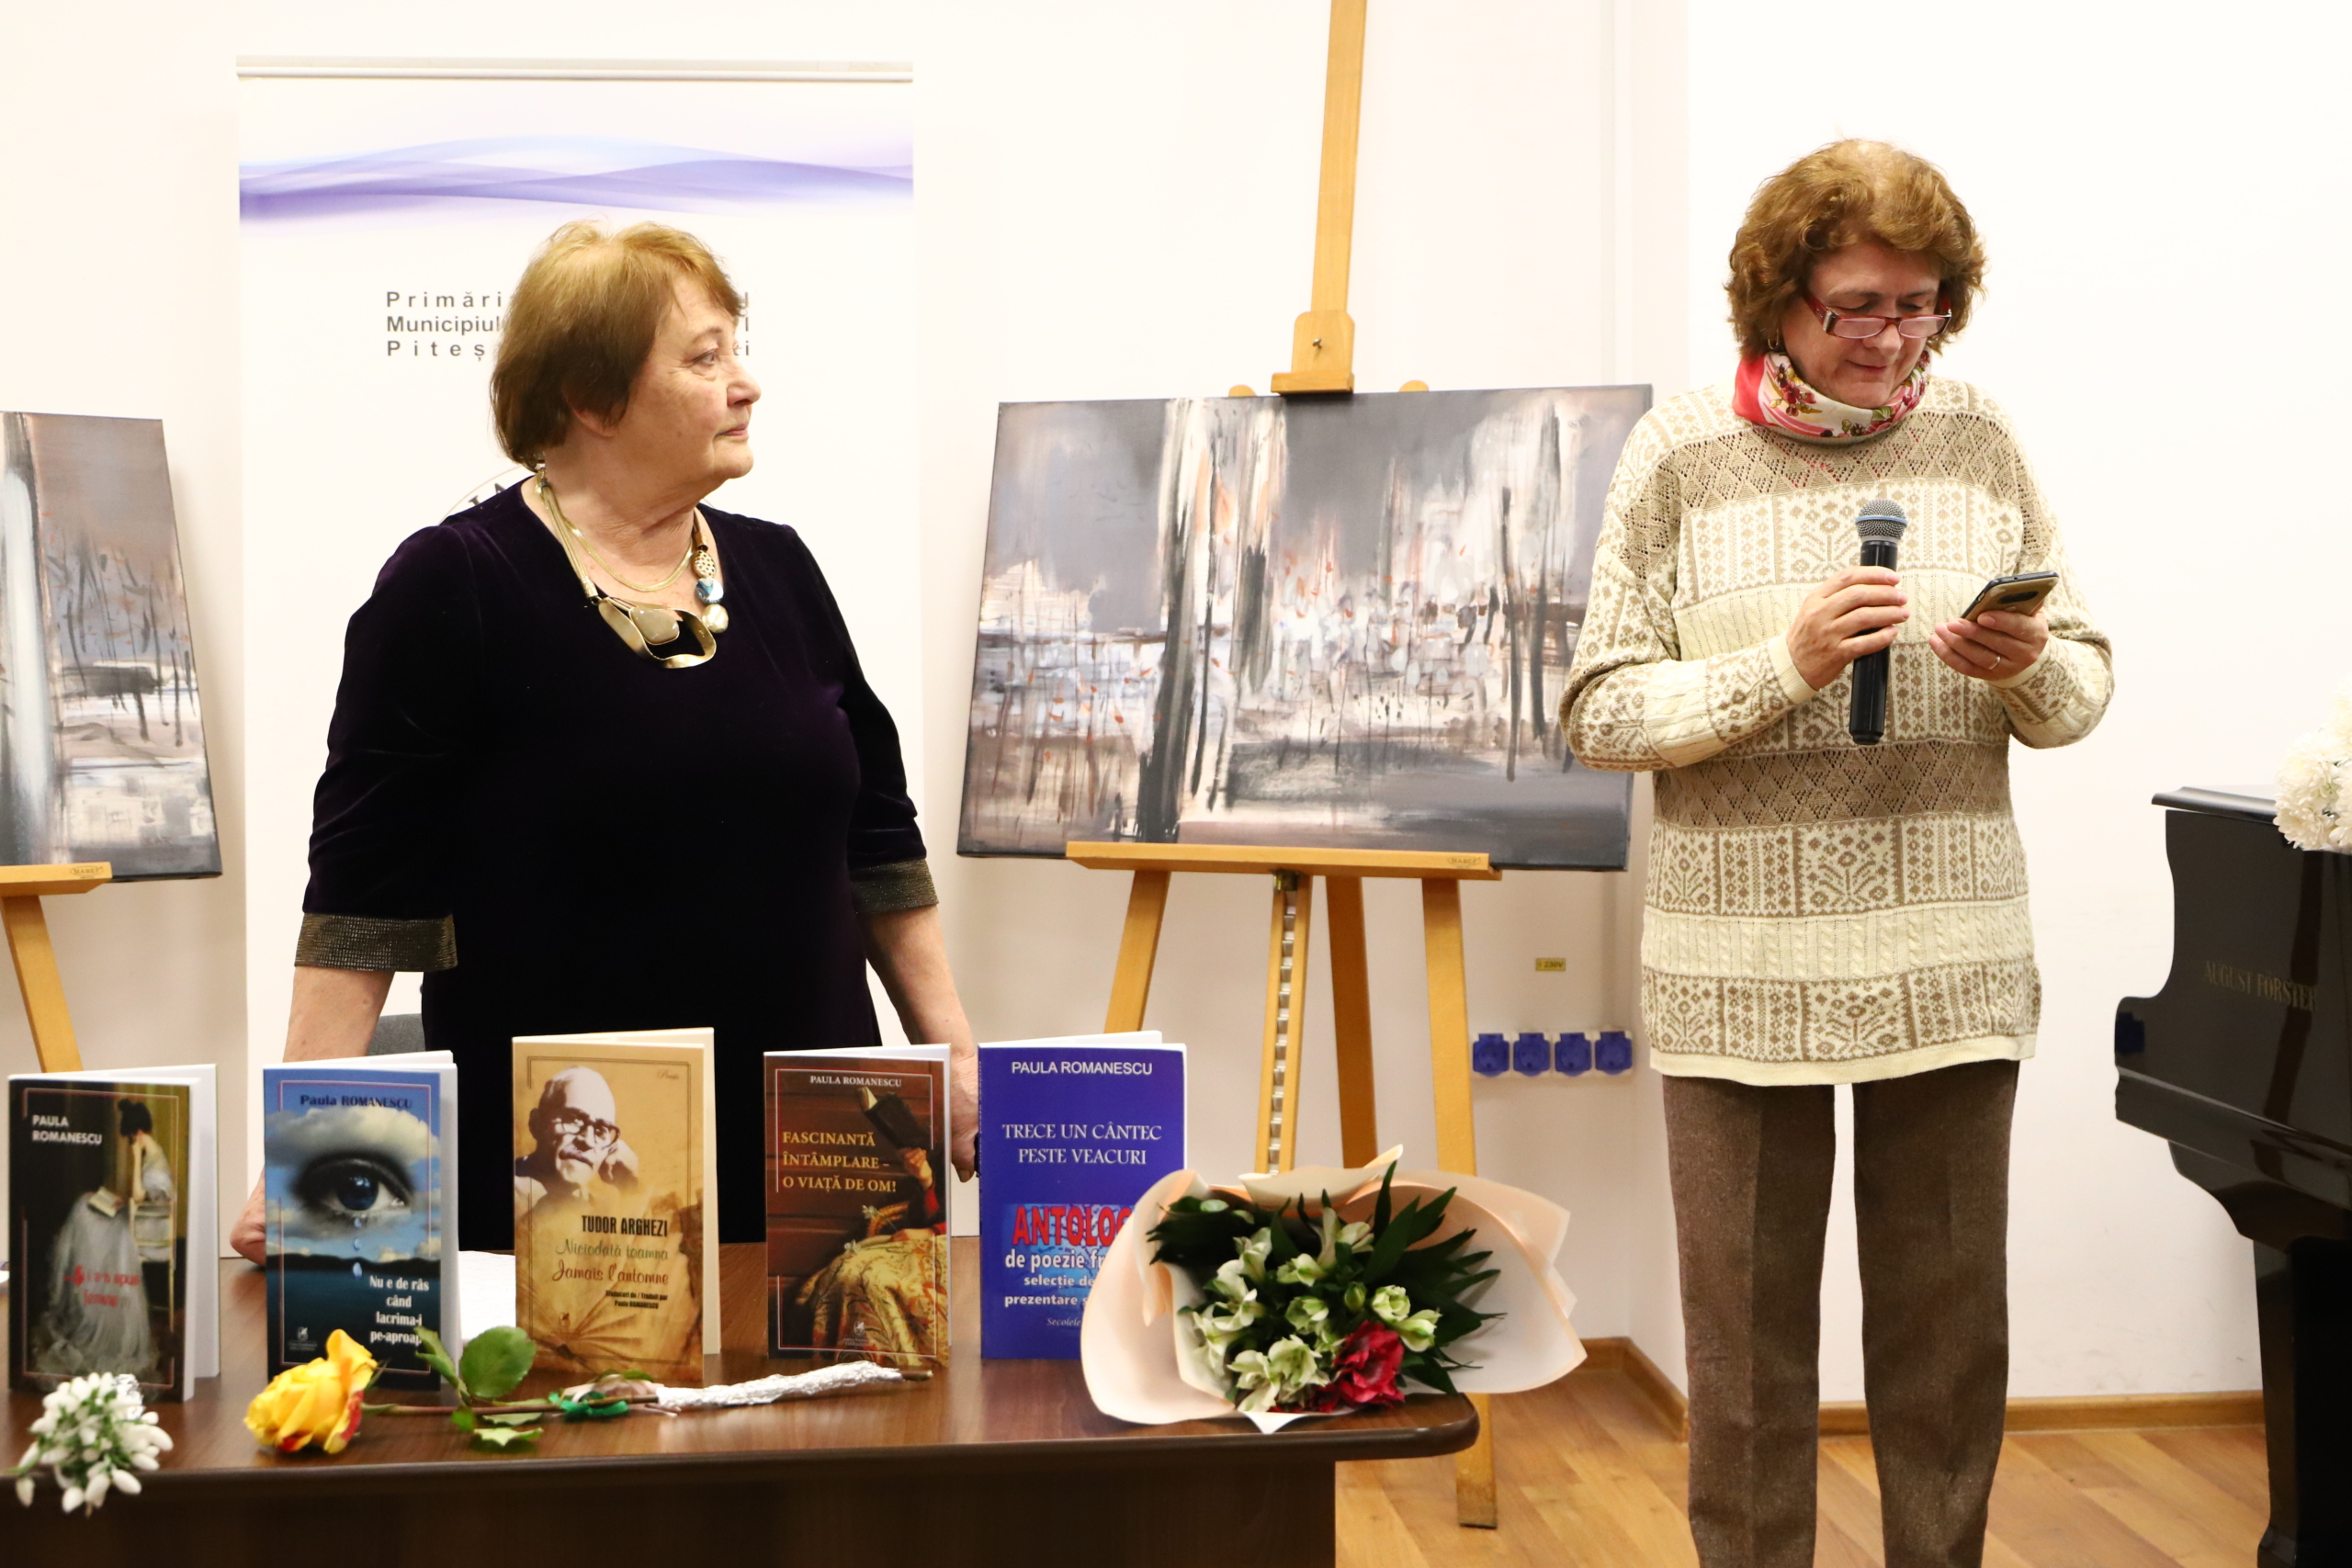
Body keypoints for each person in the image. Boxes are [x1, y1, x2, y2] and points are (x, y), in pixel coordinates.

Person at [1560, 140, 2112, 1568]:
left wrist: (2026, 663)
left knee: (1948, 1342)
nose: (1892, 338)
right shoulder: (1682, 454)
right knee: (1743, 1357)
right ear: (1779, 297)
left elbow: (2081, 690)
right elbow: (1598, 710)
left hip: (1949, 955)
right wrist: (1783, 664)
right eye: (1858, 304)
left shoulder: (1979, 438)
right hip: (1737, 975)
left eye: (1921, 306)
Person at [232, 220, 978, 1258]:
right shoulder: (455, 584)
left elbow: (879, 843)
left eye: (735, 350)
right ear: (591, 397)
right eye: (704, 359)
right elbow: (363, 903)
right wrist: (305, 1161)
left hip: (813, 1156)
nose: (746, 384)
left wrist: (953, 1054)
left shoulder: (781, 569)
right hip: (582, 1191)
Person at [512, 1067, 640, 1222]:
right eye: (573, 1120)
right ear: (537, 1123)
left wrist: (630, 1188)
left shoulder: (597, 1212)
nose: (588, 1141)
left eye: (600, 1131)